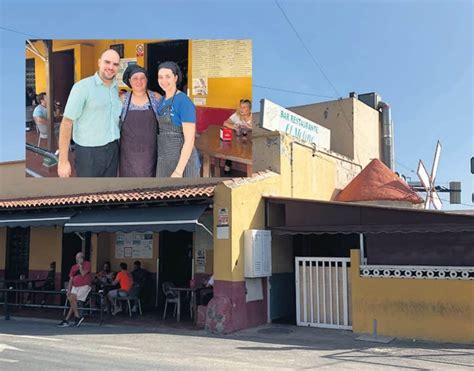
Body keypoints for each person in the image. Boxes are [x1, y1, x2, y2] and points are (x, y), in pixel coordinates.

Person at [57, 49, 122, 177]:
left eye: (115, 64)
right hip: (89, 153)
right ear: (99, 62)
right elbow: (66, 123)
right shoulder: (82, 87)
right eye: (107, 62)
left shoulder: (115, 88)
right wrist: (63, 161)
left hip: (113, 149)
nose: (111, 67)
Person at [155, 61, 201, 177]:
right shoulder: (161, 101)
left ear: (175, 78)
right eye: (160, 77)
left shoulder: (184, 101)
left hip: (183, 163)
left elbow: (190, 140)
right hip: (164, 159)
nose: (164, 81)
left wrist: (179, 171)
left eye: (168, 77)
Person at [119, 65, 161, 177]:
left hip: (150, 152)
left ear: (147, 80)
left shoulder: (156, 98)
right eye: (135, 78)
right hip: (128, 154)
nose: (139, 81)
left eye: (142, 78)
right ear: (129, 81)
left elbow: (165, 123)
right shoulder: (123, 99)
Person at [57, 252, 92, 327]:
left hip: (84, 286)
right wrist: (68, 290)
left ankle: (68, 320)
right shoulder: (73, 267)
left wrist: (80, 266)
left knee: (73, 300)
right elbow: (71, 279)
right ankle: (76, 317)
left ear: (82, 258)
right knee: (71, 299)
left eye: (79, 257)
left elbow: (83, 273)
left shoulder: (87, 264)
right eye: (76, 257)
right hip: (75, 286)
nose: (77, 259)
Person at [222, 99, 253, 175]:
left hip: (250, 142)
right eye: (241, 107)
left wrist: (249, 128)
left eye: (244, 107)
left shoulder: (253, 116)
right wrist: (235, 127)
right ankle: (227, 167)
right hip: (238, 140)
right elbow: (225, 123)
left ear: (249, 109)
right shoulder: (237, 115)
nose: (241, 109)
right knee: (230, 146)